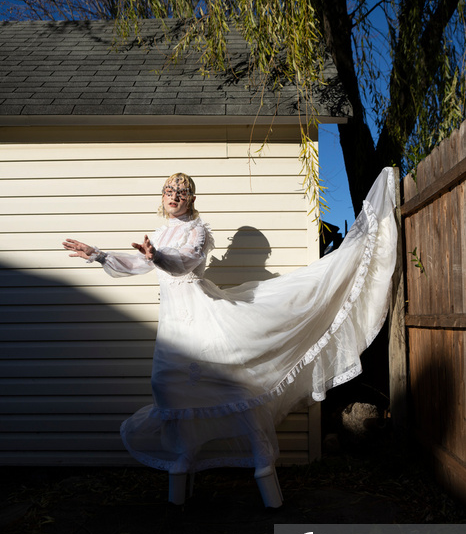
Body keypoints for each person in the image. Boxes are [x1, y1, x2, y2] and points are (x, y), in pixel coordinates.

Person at [63, 168, 397, 504]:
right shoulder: (160, 233)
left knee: (232, 388)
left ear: (192, 199)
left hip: (207, 320)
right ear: (162, 196)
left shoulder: (198, 232)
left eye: (182, 191)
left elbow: (183, 262)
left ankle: (263, 463)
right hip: (175, 329)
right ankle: (183, 461)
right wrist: (99, 254)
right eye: (169, 190)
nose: (174, 195)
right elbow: (138, 262)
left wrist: (157, 257)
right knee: (169, 388)